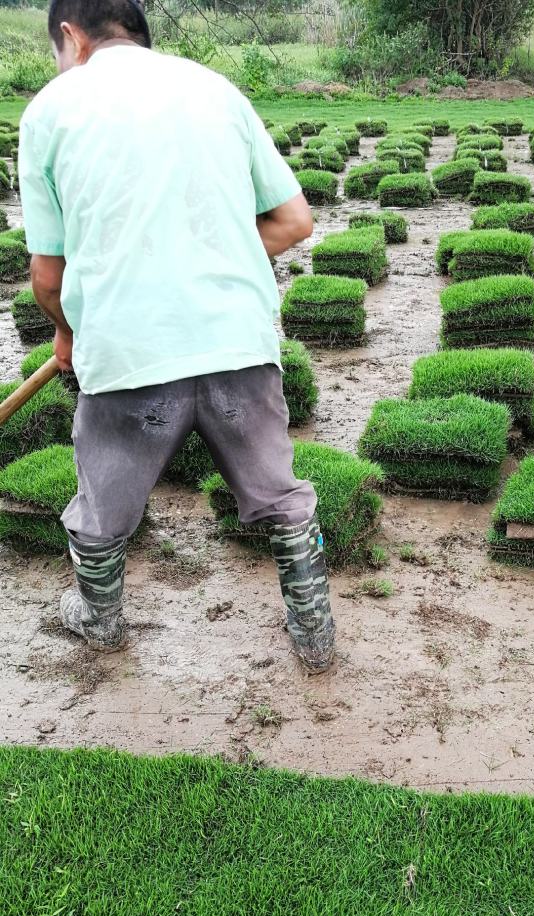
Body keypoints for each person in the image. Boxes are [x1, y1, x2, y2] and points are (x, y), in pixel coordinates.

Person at [18, 0, 336, 673]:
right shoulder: (216, 89)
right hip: (237, 344)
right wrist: (209, 259)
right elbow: (295, 219)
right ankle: (315, 634)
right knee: (282, 499)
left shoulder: (51, 108)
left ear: (70, 37)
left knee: (102, 512)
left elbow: (47, 275)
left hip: (129, 351)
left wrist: (68, 332)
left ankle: (100, 620)